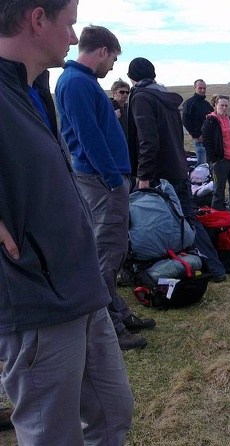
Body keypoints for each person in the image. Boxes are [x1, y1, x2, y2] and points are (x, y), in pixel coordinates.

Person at [0, 1, 134, 444]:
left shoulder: (33, 87)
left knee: (114, 411)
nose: (75, 38)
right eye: (70, 23)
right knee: (53, 435)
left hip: (81, 288)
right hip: (36, 297)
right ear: (38, 20)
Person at [55, 25, 155, 350]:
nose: (112, 66)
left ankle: (119, 313)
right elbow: (89, 138)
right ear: (102, 51)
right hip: (102, 182)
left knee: (114, 250)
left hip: (104, 180)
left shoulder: (81, 82)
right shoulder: (76, 83)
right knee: (107, 256)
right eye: (112, 58)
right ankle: (110, 327)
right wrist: (114, 180)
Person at [126, 57, 227, 282]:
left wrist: (143, 175)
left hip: (160, 173)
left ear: (132, 78)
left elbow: (147, 140)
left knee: (159, 222)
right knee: (188, 218)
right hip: (178, 168)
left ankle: (168, 267)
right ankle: (212, 266)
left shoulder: (142, 97)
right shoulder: (164, 97)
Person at [202, 94, 230, 221]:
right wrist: (214, 160)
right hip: (220, 161)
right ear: (215, 105)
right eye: (221, 105)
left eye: (226, 105)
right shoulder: (209, 121)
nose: (224, 108)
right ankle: (217, 215)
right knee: (218, 189)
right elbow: (207, 142)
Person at [182, 79, 213, 165]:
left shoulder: (206, 104)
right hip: (200, 140)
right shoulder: (189, 103)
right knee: (201, 165)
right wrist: (196, 135)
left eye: (204, 88)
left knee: (210, 165)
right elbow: (185, 120)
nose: (202, 90)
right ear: (194, 88)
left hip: (209, 140)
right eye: (200, 88)